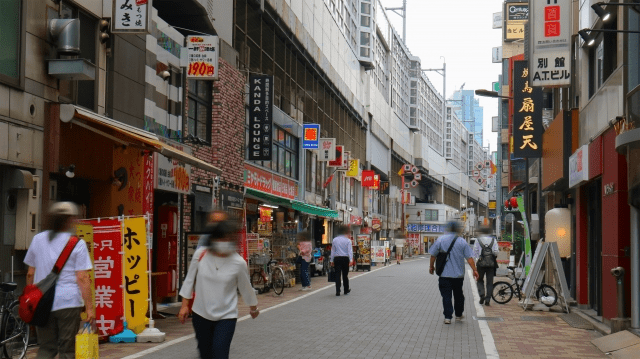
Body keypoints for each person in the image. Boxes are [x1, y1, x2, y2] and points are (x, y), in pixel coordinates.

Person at [178, 212, 259, 359]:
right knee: (205, 353)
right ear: (213, 238)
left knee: (220, 353)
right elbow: (189, 280)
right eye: (221, 237)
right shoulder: (201, 255)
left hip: (226, 316)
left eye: (228, 238)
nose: (224, 241)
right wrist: (184, 305)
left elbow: (246, 288)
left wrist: (253, 308)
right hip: (200, 314)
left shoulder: (238, 262)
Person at [24, 202, 94, 359]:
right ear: (69, 220)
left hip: (43, 302)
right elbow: (82, 277)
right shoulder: (77, 243)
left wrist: (31, 300)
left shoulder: (38, 239)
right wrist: (89, 307)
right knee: (66, 350)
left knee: (46, 348)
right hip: (68, 303)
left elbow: (30, 273)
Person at [428, 221, 479, 324]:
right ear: (457, 230)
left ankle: (447, 317)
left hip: (444, 275)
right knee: (458, 295)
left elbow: (433, 255)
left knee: (446, 296)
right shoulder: (462, 242)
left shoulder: (440, 240)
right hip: (458, 275)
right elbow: (469, 258)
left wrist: (431, 267)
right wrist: (475, 270)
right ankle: (459, 315)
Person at [474, 226, 499, 306]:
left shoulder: (478, 240)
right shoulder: (493, 240)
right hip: (491, 265)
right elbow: (496, 252)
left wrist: (477, 260)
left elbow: (475, 252)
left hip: (480, 264)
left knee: (480, 280)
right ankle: (487, 300)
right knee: (490, 282)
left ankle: (482, 295)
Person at [330, 225, 353, 296]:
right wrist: (351, 259)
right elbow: (350, 251)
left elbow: (333, 251)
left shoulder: (334, 240)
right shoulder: (348, 241)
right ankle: (346, 290)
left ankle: (337, 291)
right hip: (345, 258)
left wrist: (331, 260)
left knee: (337, 275)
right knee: (345, 275)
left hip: (337, 258)